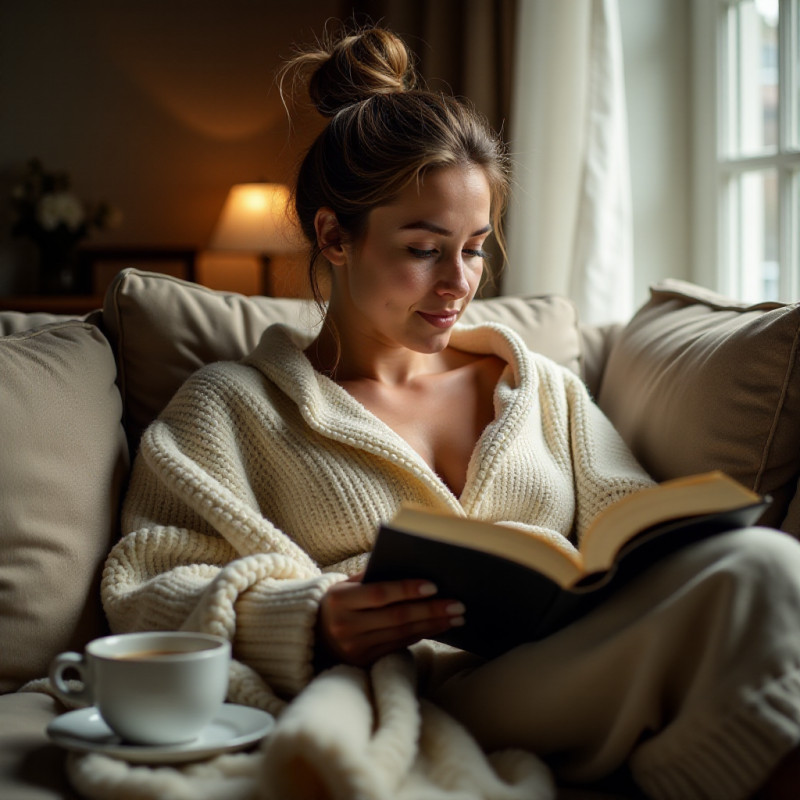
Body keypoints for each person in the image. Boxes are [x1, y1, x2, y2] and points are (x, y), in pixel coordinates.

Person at [102, 25, 800, 799]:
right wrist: (310, 618)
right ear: (335, 235)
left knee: (764, 567)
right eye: (424, 248)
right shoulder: (232, 408)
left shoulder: (536, 387)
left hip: (566, 668)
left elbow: (629, 521)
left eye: (473, 247)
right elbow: (144, 584)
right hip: (407, 690)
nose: (458, 281)